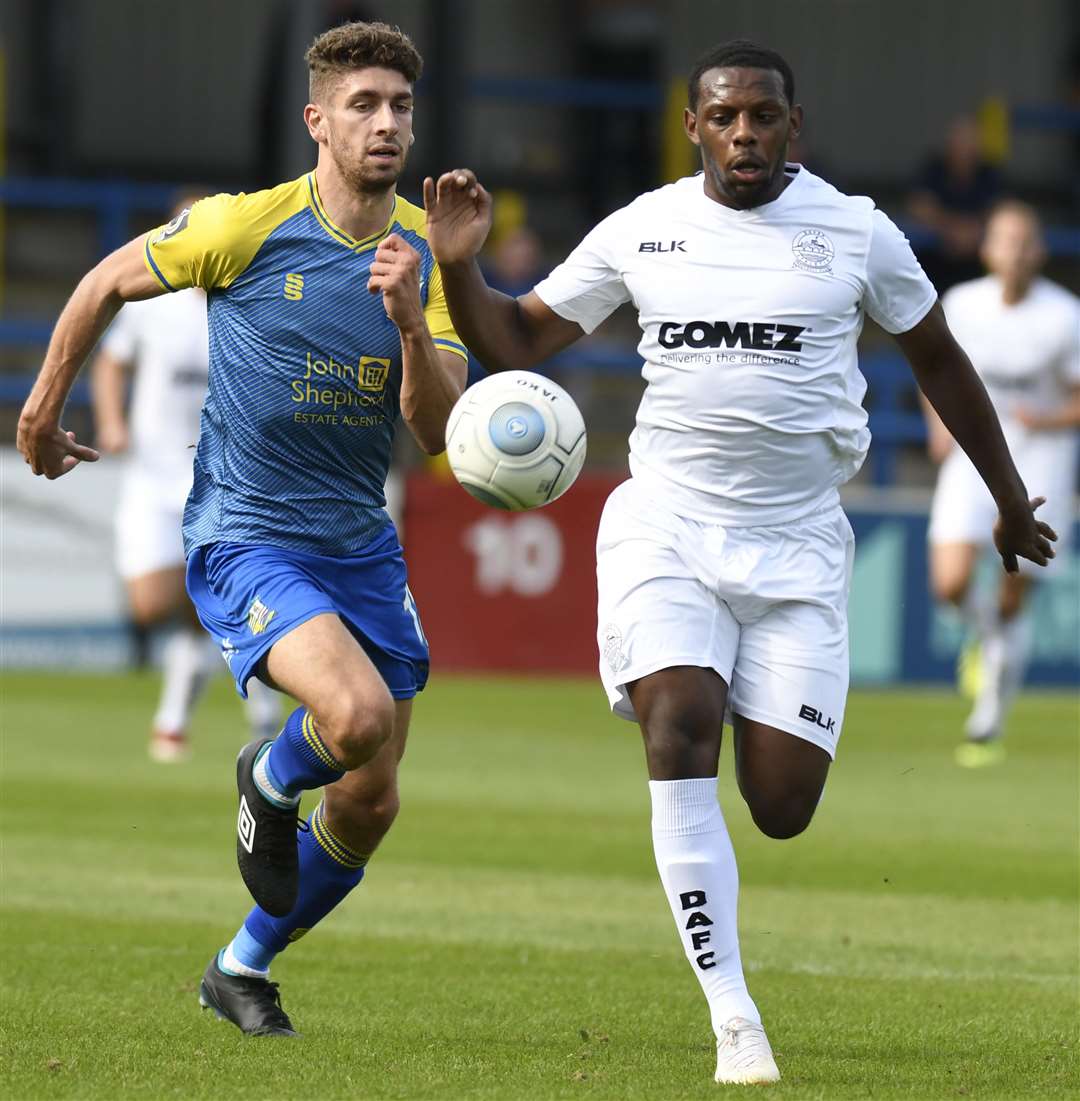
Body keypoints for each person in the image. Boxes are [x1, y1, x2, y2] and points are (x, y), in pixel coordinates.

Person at [424, 39, 1056, 1085]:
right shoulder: (647, 228)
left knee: (781, 805)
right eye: (724, 117)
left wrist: (1001, 497)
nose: (745, 134)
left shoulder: (858, 233)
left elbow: (939, 358)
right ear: (694, 127)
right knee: (681, 723)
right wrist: (459, 264)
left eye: (763, 116)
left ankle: (738, 839)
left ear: (793, 126)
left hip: (803, 545)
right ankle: (735, 1020)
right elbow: (517, 341)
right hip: (666, 522)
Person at [17, 21, 467, 1037]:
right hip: (249, 532)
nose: (387, 123)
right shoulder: (243, 226)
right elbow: (101, 285)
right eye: (365, 104)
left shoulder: (425, 261)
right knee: (352, 722)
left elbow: (439, 431)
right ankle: (265, 775)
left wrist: (408, 322)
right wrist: (43, 413)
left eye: (400, 106)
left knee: (371, 801)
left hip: (360, 545)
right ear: (318, 120)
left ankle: (239, 968)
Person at [90, 197, 282, 761]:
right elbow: (110, 362)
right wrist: (110, 420)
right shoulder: (151, 301)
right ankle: (256, 679)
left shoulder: (251, 298)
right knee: (152, 604)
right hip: (152, 478)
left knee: (205, 592)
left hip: (222, 477)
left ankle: (176, 717)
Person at [924, 201, 1079, 767]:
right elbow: (933, 368)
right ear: (988, 247)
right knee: (949, 583)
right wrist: (937, 426)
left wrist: (1049, 420)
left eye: (1026, 241)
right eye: (1005, 239)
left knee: (1015, 592)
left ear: (1039, 251)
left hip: (1041, 462)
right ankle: (984, 640)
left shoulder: (1065, 316)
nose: (1015, 251)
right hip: (972, 458)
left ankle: (988, 716)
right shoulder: (962, 305)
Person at [907, 115, 1003, 293]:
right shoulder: (933, 168)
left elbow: (1000, 212)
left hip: (976, 261)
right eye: (960, 141)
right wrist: (951, 229)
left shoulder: (989, 173)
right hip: (933, 259)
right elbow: (919, 207)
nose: (965, 148)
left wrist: (974, 230)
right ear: (950, 144)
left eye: (970, 142)